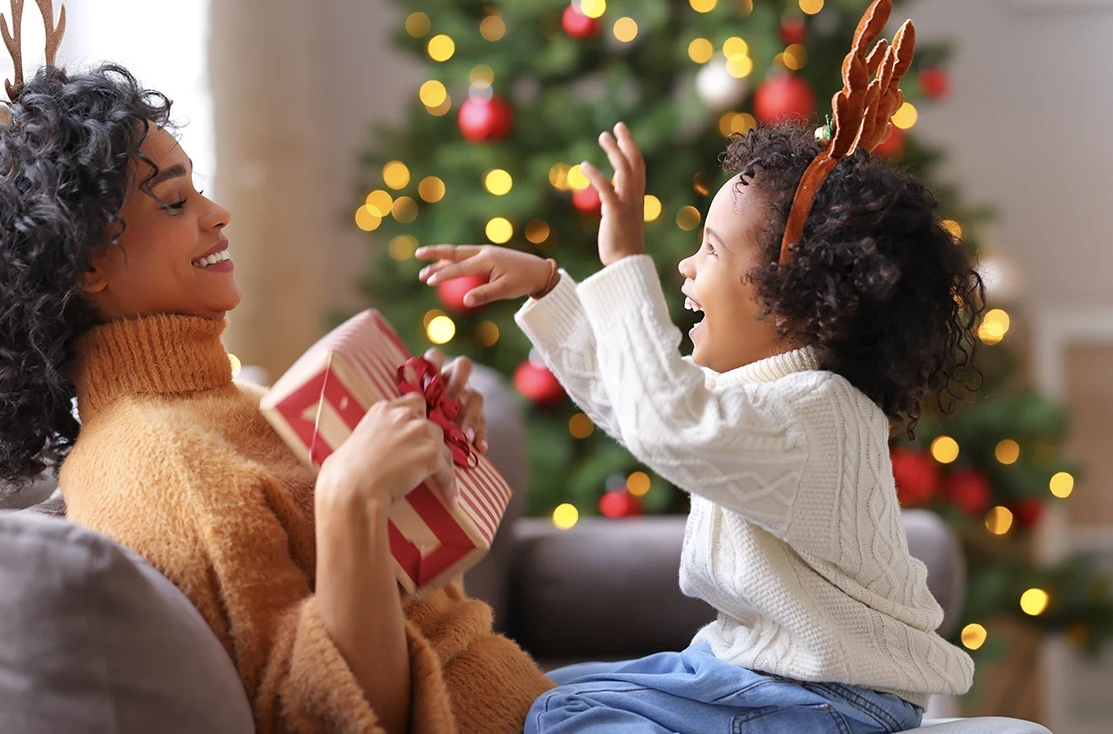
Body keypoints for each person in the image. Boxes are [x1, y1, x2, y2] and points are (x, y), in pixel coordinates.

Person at [0, 3, 552, 732]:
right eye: (177, 200)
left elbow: (430, 627)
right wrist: (349, 499)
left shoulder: (233, 401)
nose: (218, 214)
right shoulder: (161, 467)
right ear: (83, 263)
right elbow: (326, 717)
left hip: (560, 701)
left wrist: (426, 475)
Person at [415, 3, 979, 730]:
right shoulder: (755, 398)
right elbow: (636, 403)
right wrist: (552, 289)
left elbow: (666, 422)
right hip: (749, 668)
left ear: (792, 299)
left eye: (711, 251)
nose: (685, 268)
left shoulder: (817, 415)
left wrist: (625, 262)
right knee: (555, 693)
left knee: (565, 722)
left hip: (832, 697)